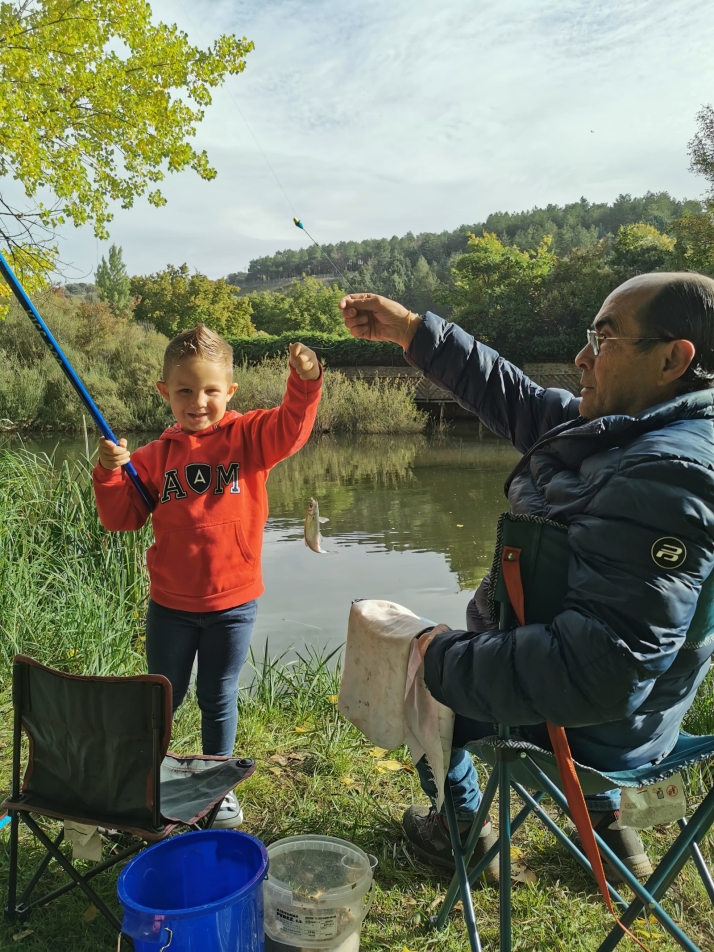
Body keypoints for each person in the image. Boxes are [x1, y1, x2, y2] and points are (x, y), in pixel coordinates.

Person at [340, 273, 714, 881]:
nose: (582, 356)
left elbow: (598, 672)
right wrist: (412, 330)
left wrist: (437, 658)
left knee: (396, 647)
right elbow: (514, 396)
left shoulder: (664, 475)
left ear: (673, 358)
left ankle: (459, 826)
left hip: (591, 732)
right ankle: (611, 829)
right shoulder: (635, 432)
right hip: (650, 711)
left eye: (605, 337)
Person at [93, 324, 322, 827]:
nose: (199, 401)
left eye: (211, 391)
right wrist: (111, 471)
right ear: (164, 393)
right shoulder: (153, 459)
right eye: (185, 391)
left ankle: (219, 788)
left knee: (218, 696)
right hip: (170, 608)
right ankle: (152, 778)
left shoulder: (249, 439)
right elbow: (121, 517)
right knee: (164, 696)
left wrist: (305, 383)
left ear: (230, 392)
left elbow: (291, 424)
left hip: (232, 606)